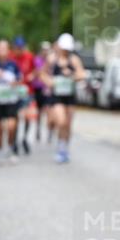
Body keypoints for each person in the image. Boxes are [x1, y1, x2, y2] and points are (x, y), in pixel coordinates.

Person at [42, 33, 86, 164]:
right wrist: (49, 81)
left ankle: (64, 148)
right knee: (61, 122)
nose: (65, 50)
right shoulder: (52, 59)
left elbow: (81, 74)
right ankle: (60, 147)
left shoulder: (74, 59)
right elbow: (43, 73)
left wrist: (71, 75)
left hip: (70, 96)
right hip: (57, 96)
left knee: (68, 124)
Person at [0, 39, 22, 162]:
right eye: (0, 48)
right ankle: (0, 150)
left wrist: (14, 83)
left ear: (8, 50)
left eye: (5, 48)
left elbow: (19, 80)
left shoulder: (13, 64)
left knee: (12, 126)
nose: (2, 51)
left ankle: (11, 149)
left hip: (11, 101)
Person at [12, 36, 36, 155]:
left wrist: (32, 75)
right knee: (16, 117)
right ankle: (15, 142)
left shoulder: (29, 56)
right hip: (14, 91)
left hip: (27, 91)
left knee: (27, 117)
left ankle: (25, 138)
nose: (19, 49)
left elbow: (36, 70)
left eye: (21, 47)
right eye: (17, 47)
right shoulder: (11, 57)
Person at [31, 41, 52, 141]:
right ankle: (38, 129)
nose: (45, 52)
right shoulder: (37, 60)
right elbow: (36, 72)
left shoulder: (51, 61)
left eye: (47, 50)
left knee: (48, 110)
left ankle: (49, 132)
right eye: (44, 50)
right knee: (39, 112)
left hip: (47, 88)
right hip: (38, 88)